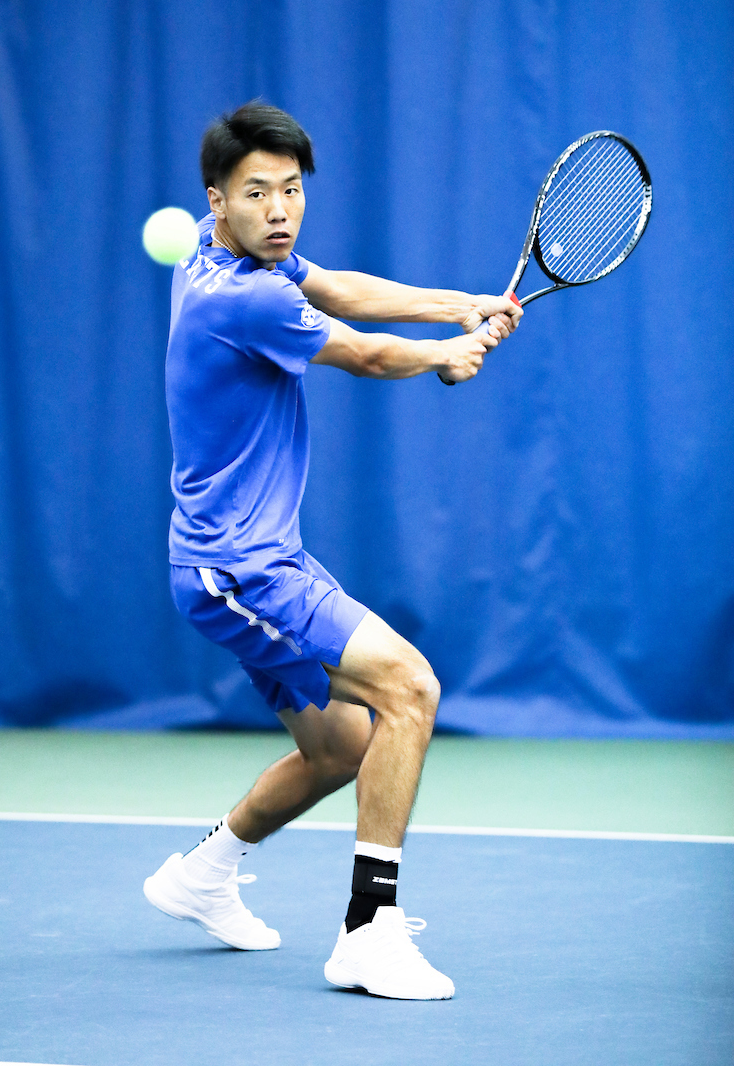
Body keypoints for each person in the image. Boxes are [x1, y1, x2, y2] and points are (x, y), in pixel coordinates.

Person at [143, 102, 522, 1000]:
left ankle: (200, 876)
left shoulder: (220, 251)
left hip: (235, 559)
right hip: (241, 569)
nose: (279, 210)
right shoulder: (245, 298)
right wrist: (446, 355)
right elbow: (362, 352)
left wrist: (460, 306)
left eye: (291, 189)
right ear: (217, 199)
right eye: (255, 193)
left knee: (340, 749)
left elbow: (337, 288)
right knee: (410, 688)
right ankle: (368, 932)